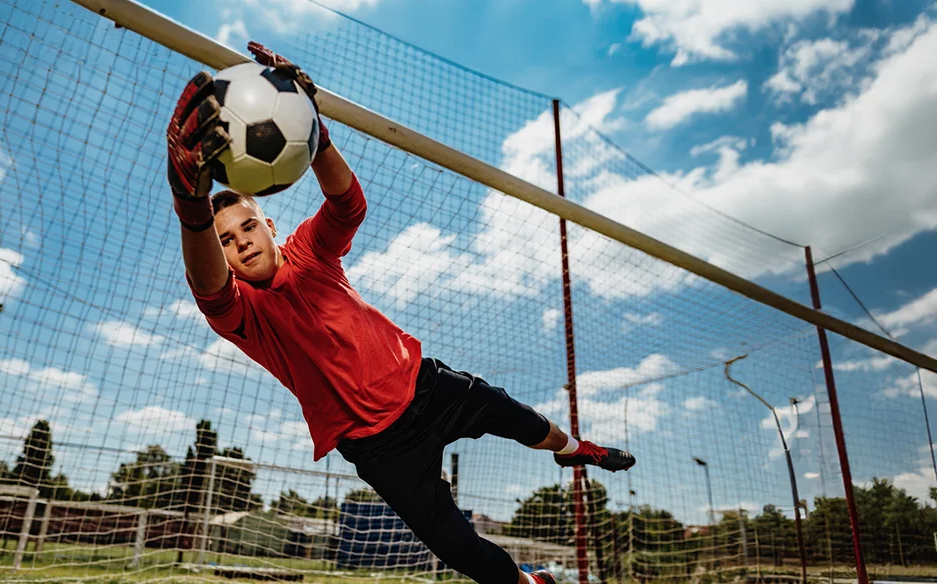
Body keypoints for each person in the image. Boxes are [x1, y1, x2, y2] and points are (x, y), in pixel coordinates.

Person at [166, 42, 636, 584]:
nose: (241, 242)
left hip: (424, 386)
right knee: (456, 545)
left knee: (519, 418)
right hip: (377, 445)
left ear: (270, 225)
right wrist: (191, 205)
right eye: (225, 241)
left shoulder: (309, 251)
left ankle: (576, 450)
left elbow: (349, 206)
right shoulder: (243, 312)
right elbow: (210, 289)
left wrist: (312, 128)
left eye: (248, 226)